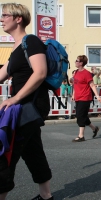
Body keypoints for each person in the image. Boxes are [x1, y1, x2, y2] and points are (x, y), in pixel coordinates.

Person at [0, 3, 53, 200]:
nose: (1, 19)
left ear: (18, 18)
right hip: (23, 108)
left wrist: (15, 98)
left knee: (6, 153)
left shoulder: (31, 41)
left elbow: (40, 73)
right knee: (33, 151)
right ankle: (46, 196)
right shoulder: (16, 48)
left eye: (5, 15)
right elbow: (1, 74)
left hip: (28, 107)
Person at [72, 55, 100, 142]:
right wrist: (73, 94)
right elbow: (75, 85)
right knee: (82, 115)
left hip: (85, 97)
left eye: (77, 60)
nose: (75, 62)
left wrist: (97, 96)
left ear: (81, 63)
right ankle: (94, 128)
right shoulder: (76, 72)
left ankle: (81, 136)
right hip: (78, 97)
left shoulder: (87, 74)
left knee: (80, 115)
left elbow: (92, 85)